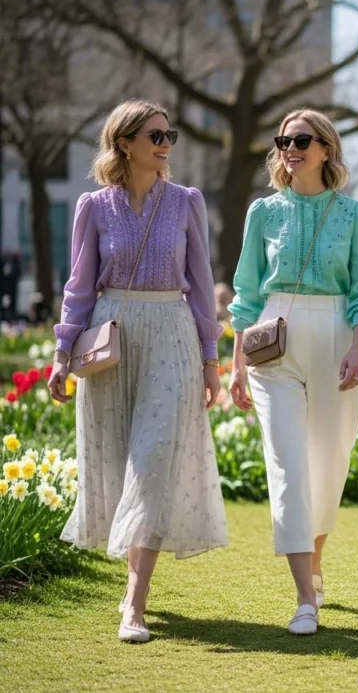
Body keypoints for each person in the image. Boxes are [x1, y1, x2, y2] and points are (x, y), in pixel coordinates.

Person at [46, 99, 228, 643]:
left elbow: (201, 283)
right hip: (111, 336)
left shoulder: (186, 202)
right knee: (116, 463)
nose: (166, 141)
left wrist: (211, 359)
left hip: (171, 331)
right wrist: (61, 355)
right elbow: (79, 287)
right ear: (124, 142)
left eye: (169, 133)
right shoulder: (93, 207)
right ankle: (132, 582)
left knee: (151, 463)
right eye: (155, 134)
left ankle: (134, 602)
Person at [228, 109, 358, 636]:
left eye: (302, 140)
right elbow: (246, 293)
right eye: (284, 140)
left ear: (325, 149)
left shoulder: (354, 212)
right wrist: (235, 364)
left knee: (328, 464)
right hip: (272, 342)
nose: (290, 148)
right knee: (288, 465)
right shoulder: (262, 212)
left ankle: (315, 561)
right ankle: (303, 598)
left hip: (336, 334)